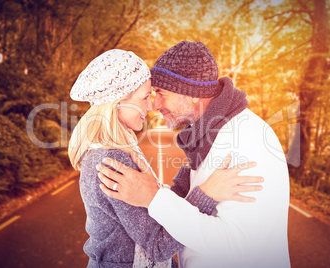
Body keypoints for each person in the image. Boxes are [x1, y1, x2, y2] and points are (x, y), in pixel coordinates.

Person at [98, 41, 291, 268]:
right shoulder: (209, 134)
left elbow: (239, 247)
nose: (154, 104)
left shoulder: (242, 141)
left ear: (192, 94)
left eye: (161, 93)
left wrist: (154, 198)